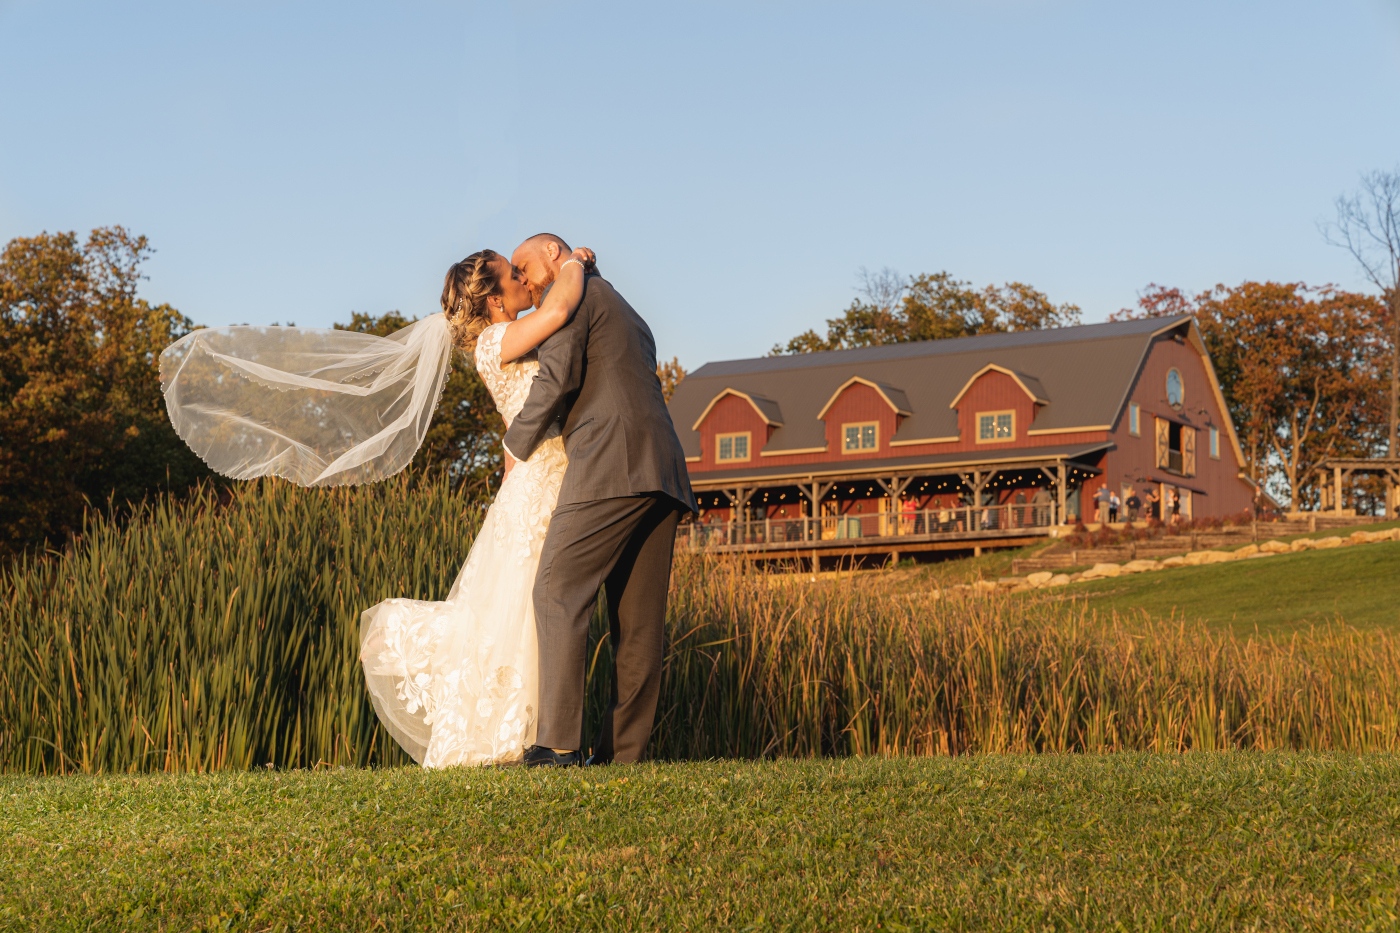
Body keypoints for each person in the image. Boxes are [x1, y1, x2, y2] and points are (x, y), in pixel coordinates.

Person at [503, 233, 696, 767]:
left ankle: (558, 746)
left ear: (550, 253)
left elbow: (557, 378)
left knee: (557, 590)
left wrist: (513, 448)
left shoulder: (577, 296)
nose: (523, 281)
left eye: (524, 267)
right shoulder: (625, 308)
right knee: (638, 627)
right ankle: (622, 758)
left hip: (611, 462)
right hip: (663, 471)